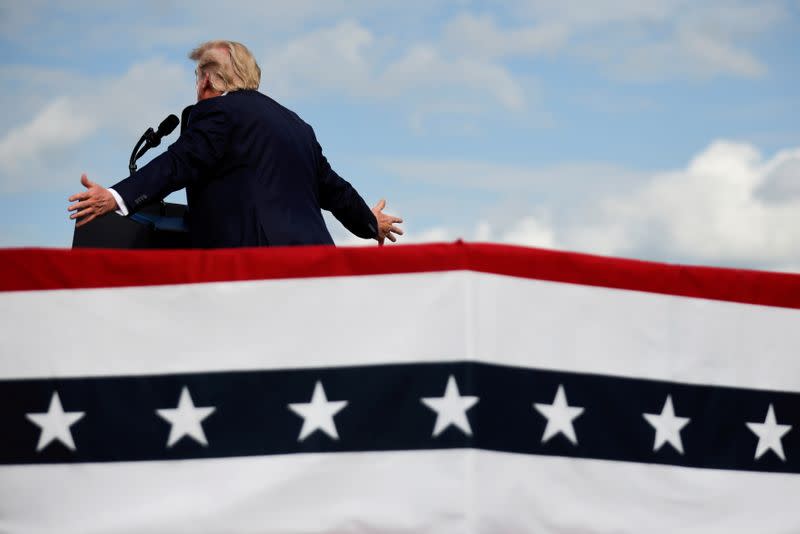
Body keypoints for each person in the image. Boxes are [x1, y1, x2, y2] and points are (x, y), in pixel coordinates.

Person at [68, 40, 403, 247]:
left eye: (198, 75)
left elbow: (179, 162)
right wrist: (370, 223)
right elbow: (335, 190)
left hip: (257, 269)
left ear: (209, 79)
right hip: (316, 266)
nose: (197, 84)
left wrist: (115, 196)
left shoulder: (217, 113)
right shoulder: (297, 125)